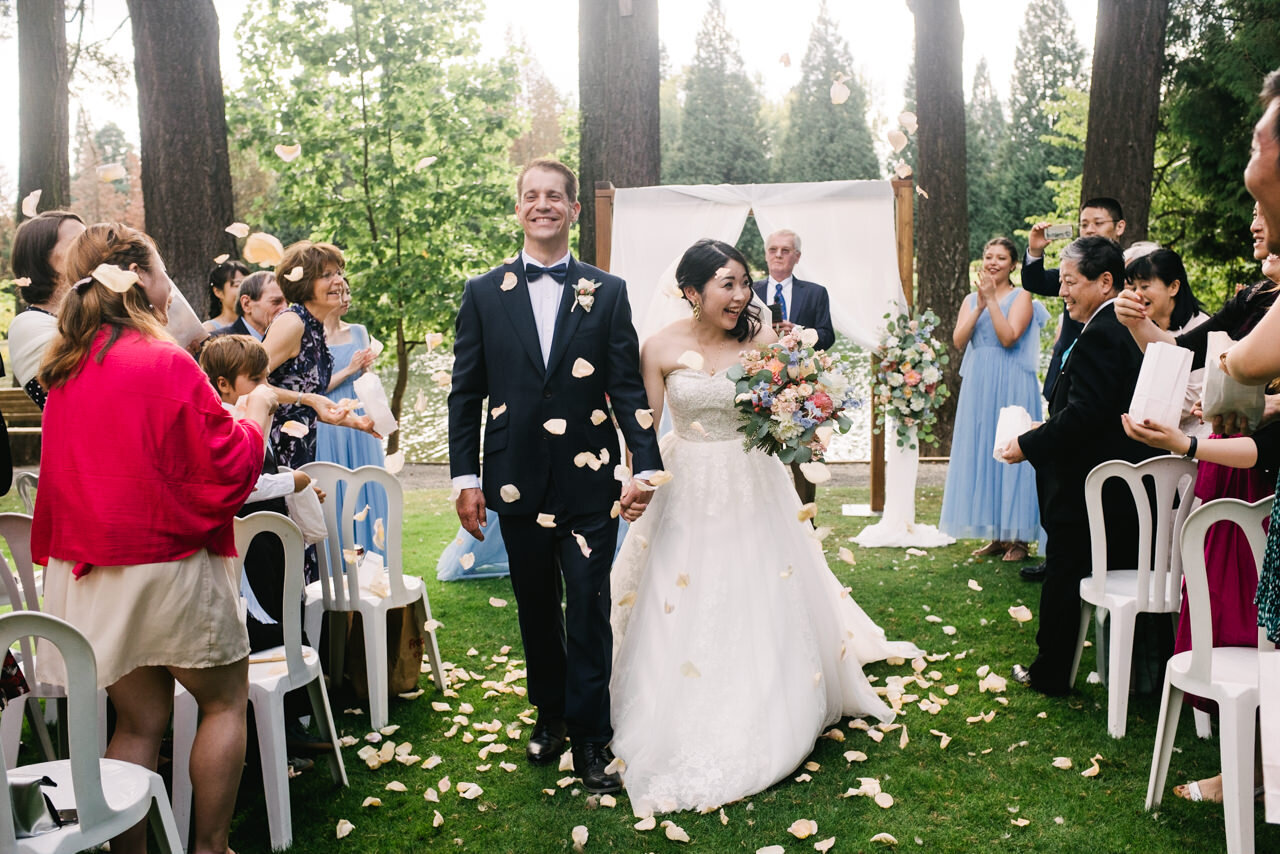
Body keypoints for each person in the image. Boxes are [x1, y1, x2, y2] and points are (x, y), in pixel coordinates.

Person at [609, 239, 922, 816]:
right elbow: (643, 428)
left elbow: (802, 402)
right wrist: (635, 481)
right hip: (684, 483)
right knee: (679, 593)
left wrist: (804, 420)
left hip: (752, 478)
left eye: (743, 283)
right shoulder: (658, 347)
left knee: (757, 585)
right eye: (726, 284)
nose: (740, 295)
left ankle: (772, 700)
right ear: (691, 292)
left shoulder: (766, 339)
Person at [31, 222, 272, 854]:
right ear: (141, 278)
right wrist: (252, 420)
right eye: (164, 274)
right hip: (173, 572)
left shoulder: (67, 371)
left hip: (97, 576)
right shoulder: (165, 360)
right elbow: (226, 470)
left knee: (138, 723)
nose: (172, 290)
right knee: (223, 705)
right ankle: (211, 848)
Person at [448, 158, 663, 795]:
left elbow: (626, 387)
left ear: (573, 211)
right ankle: (550, 715)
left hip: (588, 482)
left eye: (554, 197)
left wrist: (644, 464)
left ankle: (593, 740)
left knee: (588, 609)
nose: (542, 205)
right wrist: (466, 477)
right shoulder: (483, 292)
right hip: (512, 479)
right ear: (519, 209)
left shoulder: (609, 290)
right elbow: (467, 394)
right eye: (531, 196)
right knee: (536, 609)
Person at [1001, 236, 1159, 696]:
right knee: (1066, 571)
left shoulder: (1107, 330)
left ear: (1104, 282)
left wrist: (1028, 443)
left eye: (1070, 281)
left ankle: (1051, 673)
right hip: (1102, 480)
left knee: (1064, 571)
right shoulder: (1109, 325)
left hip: (1090, 485)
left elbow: (1087, 417)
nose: (1063, 290)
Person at [1019, 198, 1127, 582]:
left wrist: (1026, 445)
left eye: (1098, 222)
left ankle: (1065, 564)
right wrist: (1035, 250)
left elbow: (1088, 416)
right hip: (1067, 377)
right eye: (1083, 223)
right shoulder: (1075, 266)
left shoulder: (1116, 299)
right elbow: (1033, 280)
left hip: (1096, 434)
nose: (1089, 229)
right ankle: (1059, 555)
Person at [939, 237, 1048, 562]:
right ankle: (997, 535)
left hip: (1012, 381)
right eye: (989, 256)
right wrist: (981, 305)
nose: (993, 262)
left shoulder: (1022, 296)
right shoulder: (972, 299)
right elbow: (959, 340)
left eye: (1001, 258)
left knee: (1013, 449)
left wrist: (993, 302)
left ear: (1013, 265)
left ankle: (1019, 539)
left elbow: (1008, 336)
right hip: (980, 384)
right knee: (985, 451)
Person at [261, 241, 376, 472]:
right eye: (326, 275)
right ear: (304, 284)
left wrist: (355, 422)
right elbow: (249, 384)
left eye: (339, 273)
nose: (339, 281)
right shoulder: (292, 322)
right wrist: (308, 399)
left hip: (302, 447)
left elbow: (301, 404)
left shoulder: (315, 327)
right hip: (274, 452)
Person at [752, 228, 836, 508]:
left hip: (802, 385)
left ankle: (807, 523)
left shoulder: (815, 293)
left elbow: (828, 335)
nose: (778, 255)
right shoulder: (750, 291)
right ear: (766, 254)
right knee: (757, 457)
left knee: (804, 456)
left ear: (796, 257)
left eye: (785, 250)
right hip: (759, 382)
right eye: (773, 249)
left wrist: (799, 331)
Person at [316, 280, 387, 555]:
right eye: (339, 293)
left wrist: (368, 372)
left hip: (358, 418)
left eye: (348, 292)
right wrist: (349, 369)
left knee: (366, 485)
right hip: (330, 418)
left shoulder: (359, 331)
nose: (346, 298)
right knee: (335, 491)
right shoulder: (312, 336)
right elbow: (313, 389)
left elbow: (367, 378)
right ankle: (336, 561)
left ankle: (373, 559)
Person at [9, 210, 86, 407]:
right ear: (41, 259)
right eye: (78, 243)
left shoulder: (89, 311)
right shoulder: (28, 324)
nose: (91, 250)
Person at [224, 270, 287, 341]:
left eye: (288, 303)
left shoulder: (288, 339)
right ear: (246, 304)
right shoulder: (221, 343)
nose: (285, 309)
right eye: (276, 302)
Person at [204, 260, 251, 332]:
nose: (245, 290)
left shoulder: (258, 325)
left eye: (247, 284)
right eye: (237, 285)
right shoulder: (209, 330)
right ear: (218, 292)